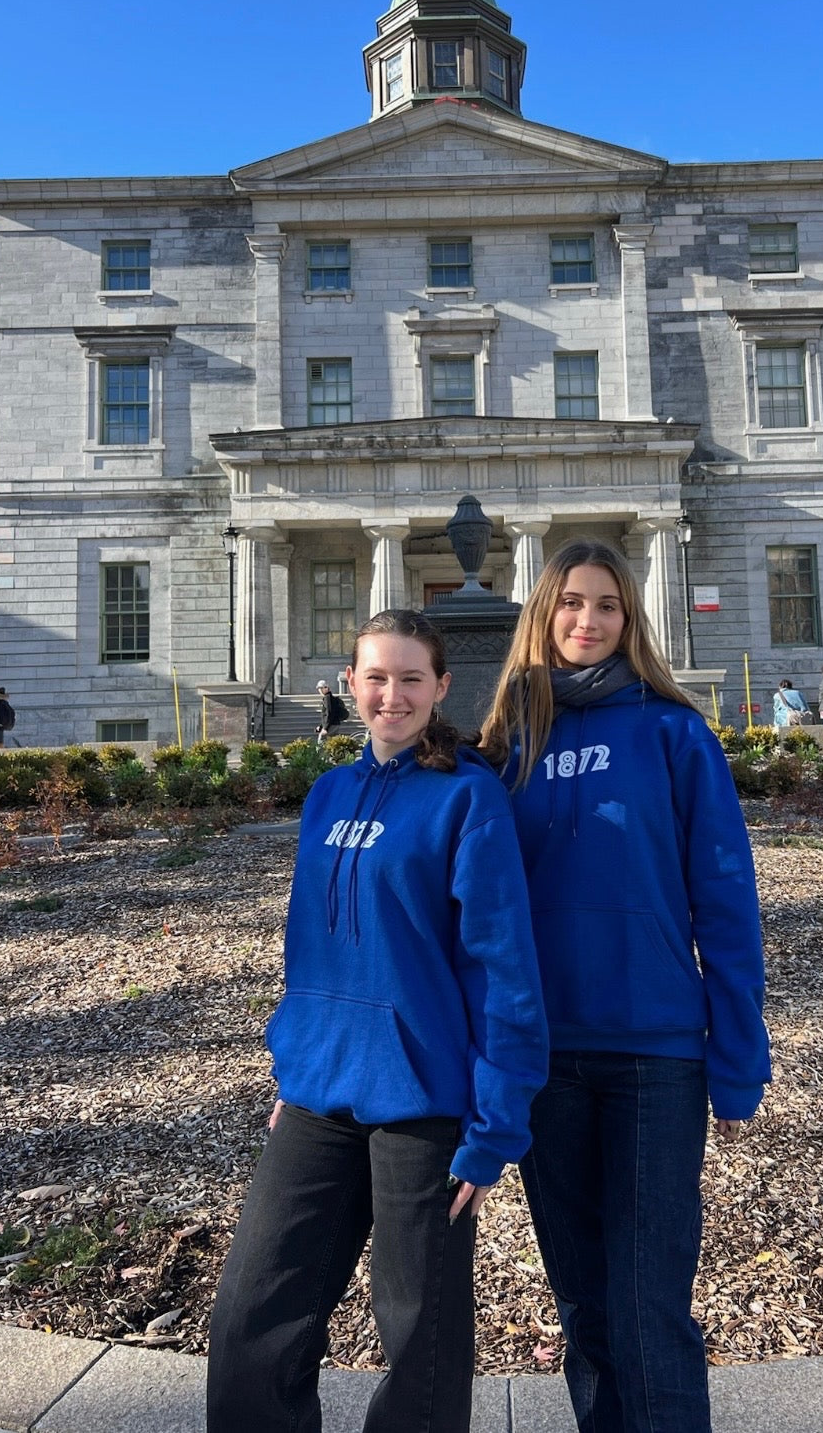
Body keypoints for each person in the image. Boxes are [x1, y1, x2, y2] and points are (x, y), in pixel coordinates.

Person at [207, 609, 548, 1433]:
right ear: (350, 684)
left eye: (410, 678)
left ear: (440, 687)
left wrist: (497, 1124)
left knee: (419, 1337)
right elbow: (309, 947)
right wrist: (294, 1063)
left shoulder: (468, 797)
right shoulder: (329, 793)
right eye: (376, 677)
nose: (392, 695)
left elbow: (503, 966)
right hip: (319, 1094)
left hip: (425, 1102)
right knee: (251, 1314)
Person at [479, 539, 770, 1433]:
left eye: (607, 604)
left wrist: (738, 1059)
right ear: (544, 614)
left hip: (656, 1056)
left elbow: (726, 898)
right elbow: (470, 914)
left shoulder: (675, 733)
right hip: (546, 1058)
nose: (588, 619)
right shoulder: (506, 744)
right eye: (571, 602)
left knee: (651, 1307)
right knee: (585, 1305)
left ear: (630, 619)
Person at [314, 677, 349, 745]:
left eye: (321, 688)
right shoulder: (329, 698)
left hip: (332, 724)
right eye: (319, 689)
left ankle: (321, 752)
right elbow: (327, 714)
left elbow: (329, 713)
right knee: (333, 743)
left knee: (321, 739)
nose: (320, 690)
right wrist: (321, 726)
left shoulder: (327, 698)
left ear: (326, 688)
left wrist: (325, 728)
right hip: (334, 723)